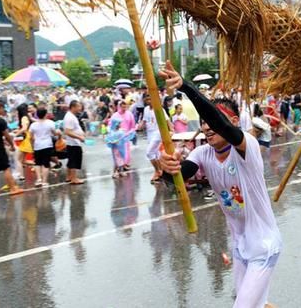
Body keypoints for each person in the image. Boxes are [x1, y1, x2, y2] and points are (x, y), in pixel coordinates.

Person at [158, 62, 281, 308]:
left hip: (263, 246)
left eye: (212, 121)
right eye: (203, 122)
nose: (206, 126)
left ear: (234, 121)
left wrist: (186, 88)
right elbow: (177, 179)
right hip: (239, 246)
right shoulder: (203, 153)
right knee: (257, 304)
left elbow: (220, 123)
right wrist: (167, 169)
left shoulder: (248, 146)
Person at [139, 94, 172, 184]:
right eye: (146, 98)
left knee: (149, 152)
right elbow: (144, 120)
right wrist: (139, 127)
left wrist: (172, 130)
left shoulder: (159, 109)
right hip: (149, 133)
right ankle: (160, 173)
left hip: (158, 133)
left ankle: (158, 171)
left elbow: (167, 120)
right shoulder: (146, 109)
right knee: (156, 154)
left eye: (150, 98)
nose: (148, 100)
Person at [29, 107, 60, 187]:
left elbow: (31, 137)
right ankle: (44, 181)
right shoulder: (50, 123)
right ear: (45, 114)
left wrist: (32, 145)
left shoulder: (33, 125)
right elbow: (54, 133)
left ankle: (39, 179)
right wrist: (59, 133)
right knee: (46, 163)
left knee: (37, 163)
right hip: (47, 145)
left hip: (37, 145)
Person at [107, 100, 136, 177]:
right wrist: (112, 140)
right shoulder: (115, 116)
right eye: (122, 106)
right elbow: (110, 128)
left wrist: (129, 133)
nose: (124, 108)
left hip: (125, 138)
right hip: (117, 141)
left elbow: (132, 126)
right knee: (116, 156)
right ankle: (115, 171)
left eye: (125, 106)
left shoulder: (129, 114)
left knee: (124, 155)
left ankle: (122, 169)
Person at [64, 100, 86, 185]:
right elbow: (68, 131)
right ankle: (74, 178)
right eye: (78, 106)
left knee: (71, 160)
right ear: (73, 107)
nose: (80, 108)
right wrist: (79, 137)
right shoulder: (69, 117)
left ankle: (69, 177)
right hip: (74, 142)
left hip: (73, 142)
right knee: (74, 161)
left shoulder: (71, 116)